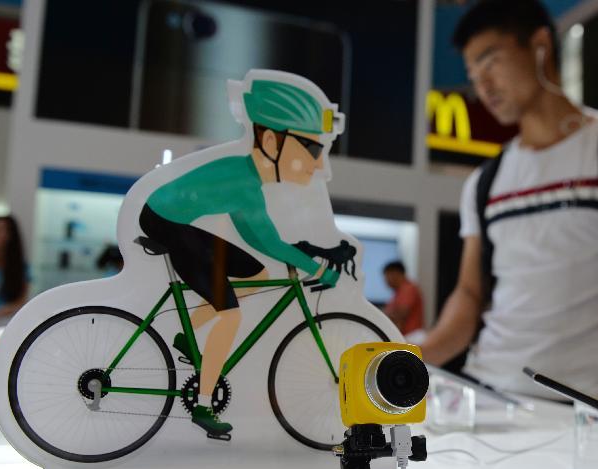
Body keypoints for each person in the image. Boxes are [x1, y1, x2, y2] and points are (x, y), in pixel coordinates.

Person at [422, 0, 598, 416]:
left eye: (489, 60)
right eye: (473, 73)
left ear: (541, 45)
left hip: (582, 407)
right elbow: (470, 293)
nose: (482, 85)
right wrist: (410, 358)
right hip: (485, 395)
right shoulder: (484, 182)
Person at [139, 74, 345, 439]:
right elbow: (266, 240)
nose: (318, 166)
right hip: (165, 222)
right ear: (270, 140)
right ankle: (203, 406)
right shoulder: (245, 185)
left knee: (258, 276)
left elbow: (262, 239)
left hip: (171, 216)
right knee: (230, 314)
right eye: (312, 151)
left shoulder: (246, 179)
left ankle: (188, 337)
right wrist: (316, 269)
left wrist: (302, 257)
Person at [382, 261, 425, 335]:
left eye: (386, 276)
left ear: (395, 274)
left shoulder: (408, 289)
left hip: (411, 336)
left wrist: (382, 315)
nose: (385, 280)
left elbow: (401, 313)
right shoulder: (398, 292)